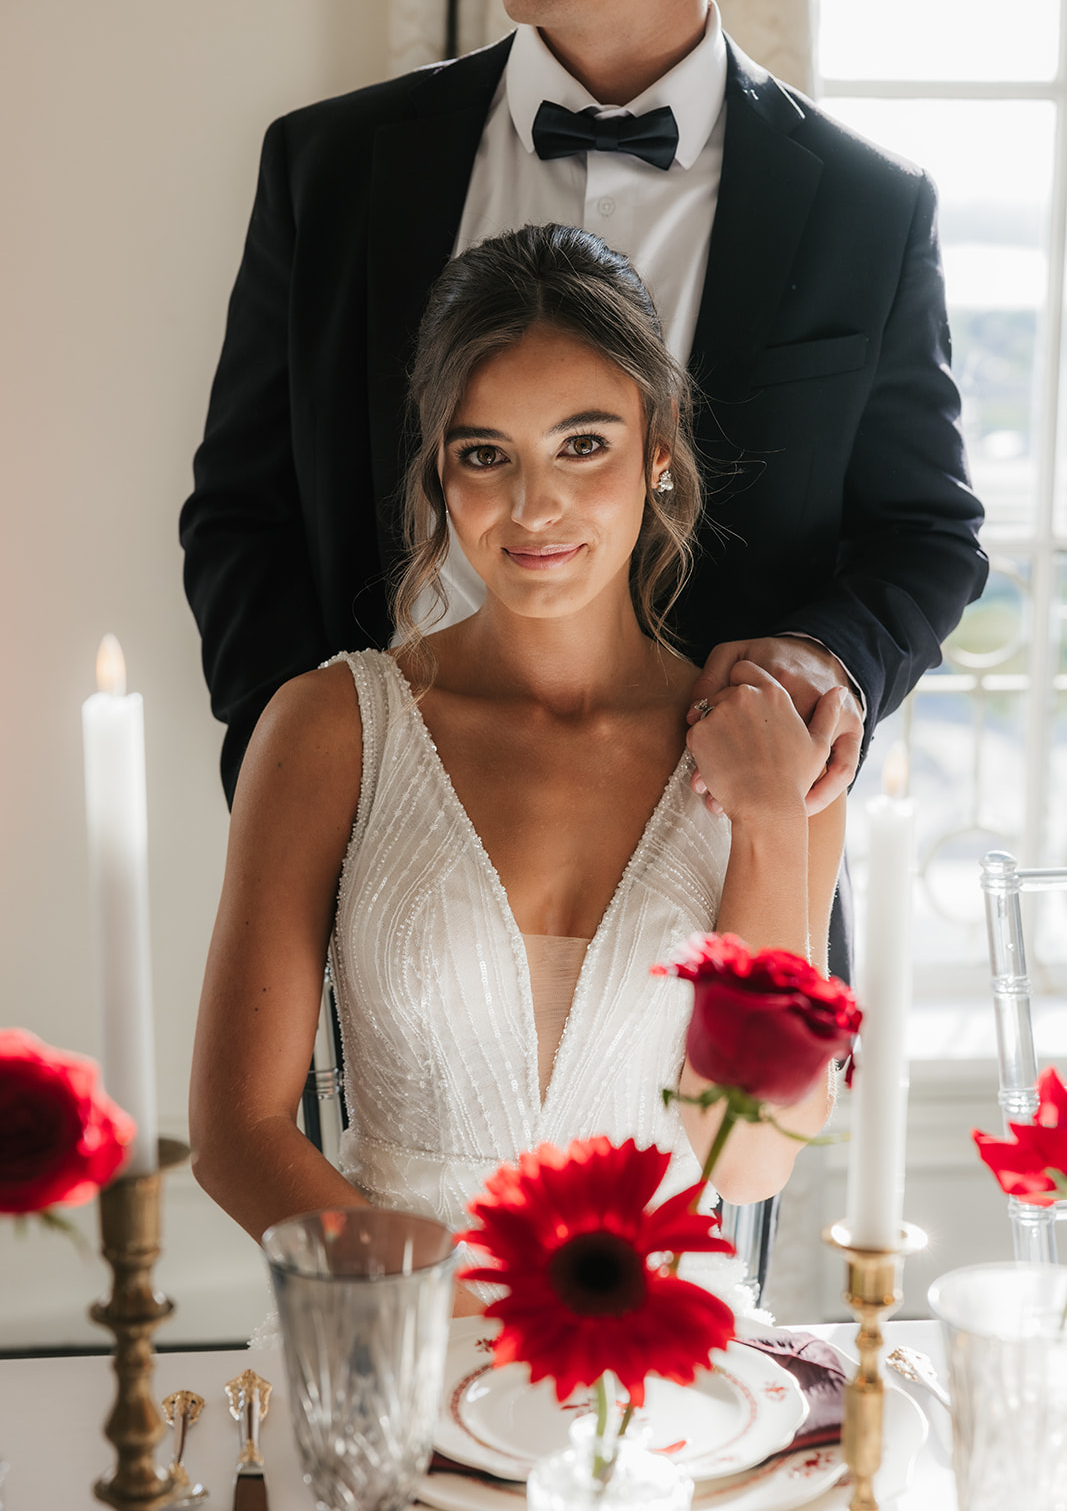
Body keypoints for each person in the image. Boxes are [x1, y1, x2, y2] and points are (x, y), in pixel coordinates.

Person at [179, 0, 987, 894]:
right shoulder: (331, 165)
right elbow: (243, 514)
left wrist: (827, 655)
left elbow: (923, 532)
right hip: (372, 877)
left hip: (723, 879)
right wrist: (298, 798)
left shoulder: (868, 210)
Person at [188, 226, 846, 1313]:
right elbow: (237, 1135)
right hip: (391, 1352)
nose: (534, 507)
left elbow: (747, 1159)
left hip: (660, 1385)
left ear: (659, 443)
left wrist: (771, 819)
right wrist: (450, 1319)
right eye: (484, 454)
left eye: (582, 445)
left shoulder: (775, 754)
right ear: (438, 469)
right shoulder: (328, 728)